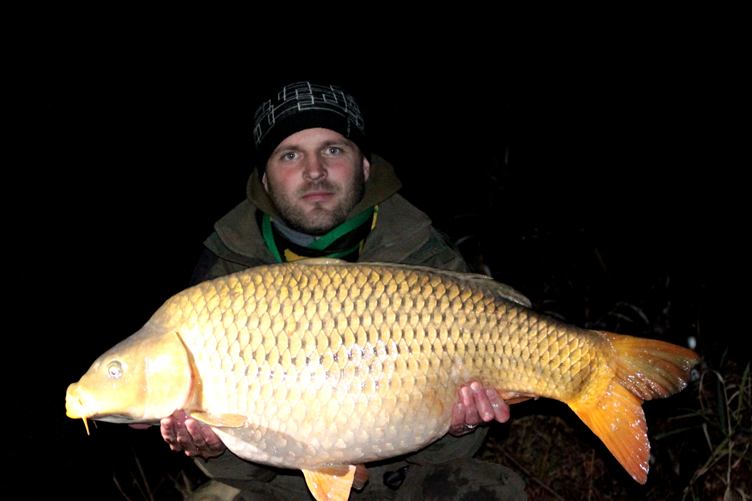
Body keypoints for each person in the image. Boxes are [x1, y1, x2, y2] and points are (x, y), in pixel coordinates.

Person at [156, 81, 527, 500]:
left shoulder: (425, 254)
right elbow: (243, 470)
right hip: (287, 488)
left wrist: (459, 426)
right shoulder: (225, 273)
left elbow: (452, 453)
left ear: (365, 167)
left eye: (332, 149)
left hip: (405, 478)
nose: (314, 170)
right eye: (290, 155)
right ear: (264, 179)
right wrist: (214, 448)